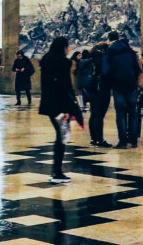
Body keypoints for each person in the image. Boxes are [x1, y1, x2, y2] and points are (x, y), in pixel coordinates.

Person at [39, 36, 83, 184]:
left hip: (49, 103)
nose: (69, 49)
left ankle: (57, 171)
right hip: (60, 104)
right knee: (62, 137)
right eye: (68, 46)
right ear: (64, 47)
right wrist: (66, 108)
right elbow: (64, 86)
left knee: (61, 136)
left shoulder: (46, 60)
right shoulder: (63, 62)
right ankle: (56, 172)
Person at [102, 30, 143, 148]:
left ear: (109, 39)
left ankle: (123, 141)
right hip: (131, 85)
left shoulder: (109, 52)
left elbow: (105, 71)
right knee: (133, 112)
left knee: (120, 114)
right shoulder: (130, 52)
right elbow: (137, 69)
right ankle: (134, 140)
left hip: (118, 85)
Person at [85, 42, 112, 147]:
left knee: (93, 114)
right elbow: (106, 73)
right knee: (99, 115)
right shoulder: (102, 58)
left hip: (91, 89)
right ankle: (100, 140)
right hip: (101, 89)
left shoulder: (89, 58)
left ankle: (93, 139)